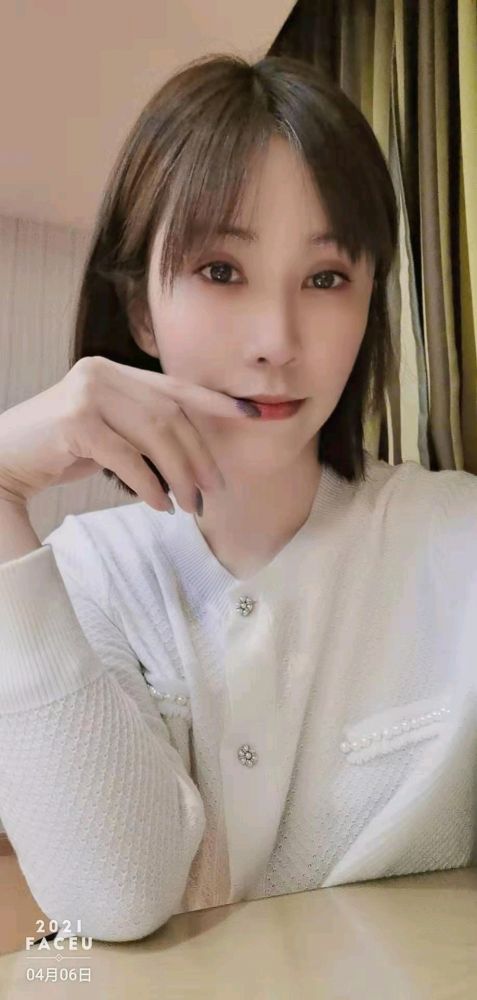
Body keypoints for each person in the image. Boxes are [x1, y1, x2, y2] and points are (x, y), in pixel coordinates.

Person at [0, 54, 476, 945]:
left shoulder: (458, 540)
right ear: (141, 313)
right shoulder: (80, 576)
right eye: (221, 270)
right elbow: (107, 900)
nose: (276, 341)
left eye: (325, 278)